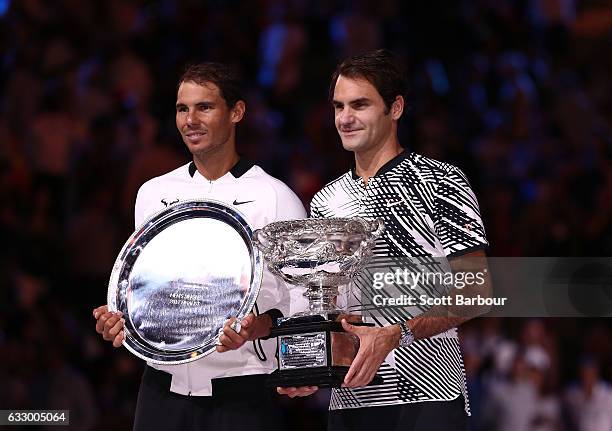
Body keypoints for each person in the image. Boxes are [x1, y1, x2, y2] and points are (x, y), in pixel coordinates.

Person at [279, 50, 490, 431]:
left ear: (395, 108)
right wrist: (309, 360)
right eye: (339, 106)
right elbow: (328, 303)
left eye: (360, 104)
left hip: (429, 392)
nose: (345, 118)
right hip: (350, 395)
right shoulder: (326, 201)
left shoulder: (441, 181)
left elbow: (477, 289)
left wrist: (396, 334)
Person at [92, 62, 306, 431]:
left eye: (204, 107)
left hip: (243, 393)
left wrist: (258, 329)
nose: (191, 119)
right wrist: (120, 319)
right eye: (182, 108)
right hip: (160, 391)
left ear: (236, 112)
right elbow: (147, 290)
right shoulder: (153, 194)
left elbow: (302, 307)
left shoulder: (276, 198)